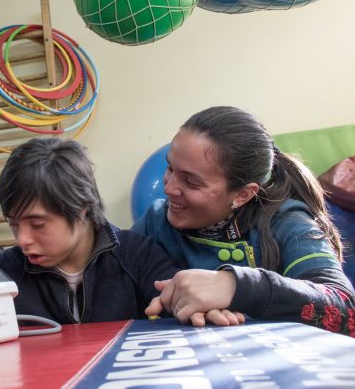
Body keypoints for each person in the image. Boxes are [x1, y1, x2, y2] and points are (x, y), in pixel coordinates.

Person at [0, 138, 243, 348]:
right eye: (14, 224)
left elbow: (177, 293)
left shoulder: (137, 255)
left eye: (38, 224)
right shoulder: (9, 269)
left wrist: (198, 307)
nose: (22, 239)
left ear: (81, 210)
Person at [135, 106, 355, 337]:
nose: (168, 188)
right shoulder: (155, 221)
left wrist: (237, 286)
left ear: (243, 194)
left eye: (192, 182)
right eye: (170, 168)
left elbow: (347, 312)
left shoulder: (287, 223)